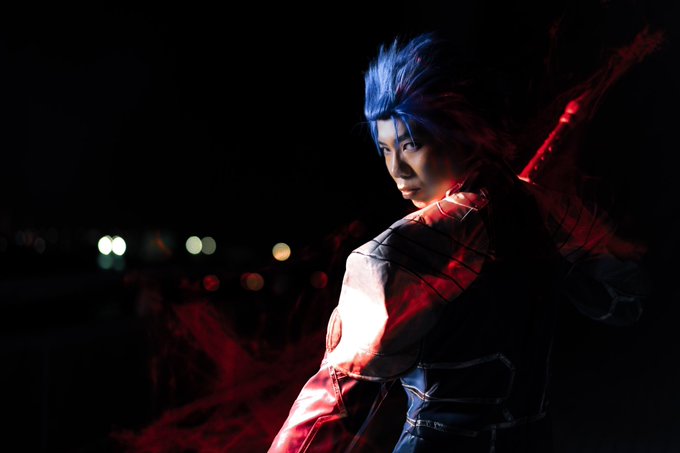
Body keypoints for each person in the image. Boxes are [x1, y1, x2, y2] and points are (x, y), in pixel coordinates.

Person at [268, 31, 653, 452]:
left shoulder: (394, 255)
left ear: (463, 133)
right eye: (386, 150)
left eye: (411, 145)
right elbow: (332, 403)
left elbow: (329, 410)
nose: (398, 170)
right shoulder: (546, 212)